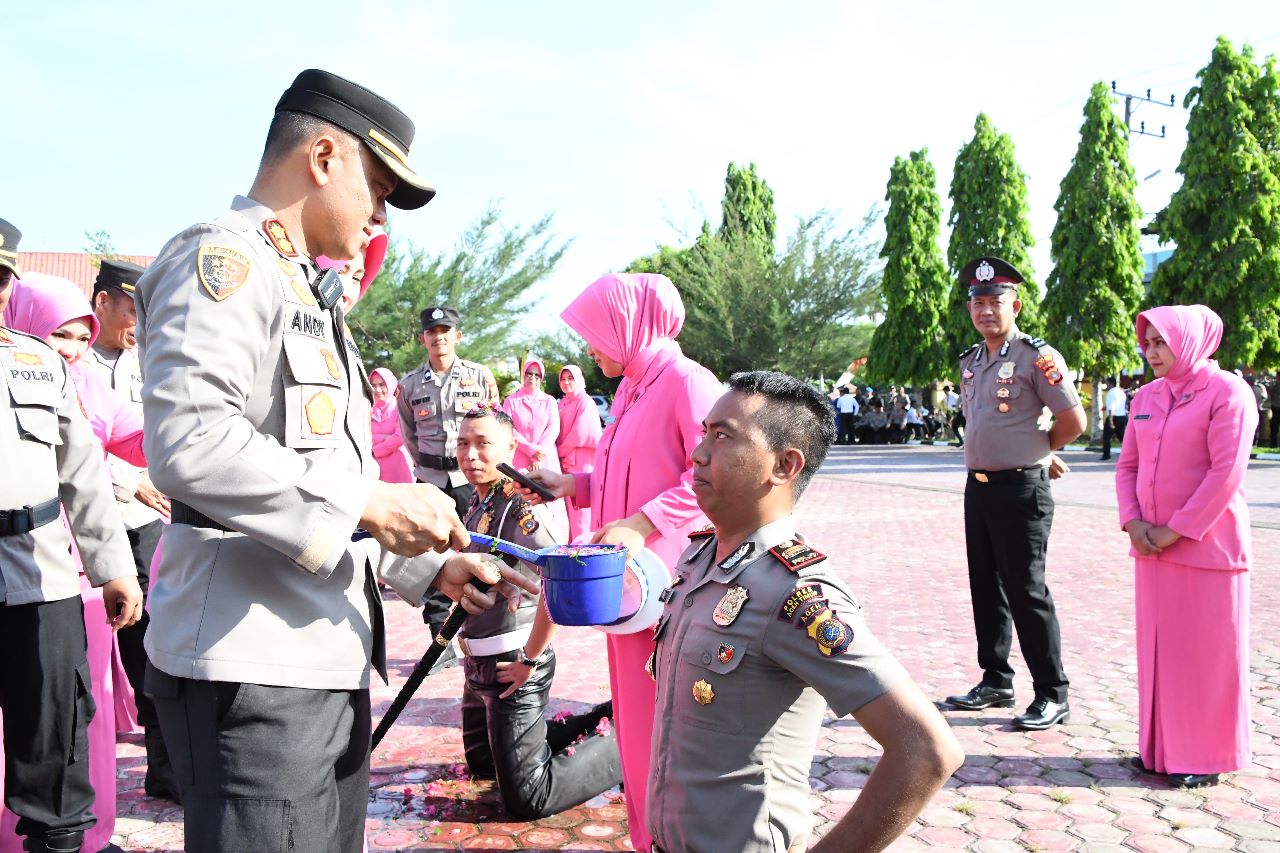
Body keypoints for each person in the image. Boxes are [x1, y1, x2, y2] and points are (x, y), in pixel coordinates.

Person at [133, 69, 538, 853]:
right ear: (323, 157)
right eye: (379, 188)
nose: (381, 214)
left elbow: (316, 476)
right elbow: (191, 443)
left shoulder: (307, 292)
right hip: (250, 665)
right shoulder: (223, 262)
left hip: (319, 658)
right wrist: (379, 503)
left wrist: (426, 570)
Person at [647, 371, 963, 852]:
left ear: (784, 465)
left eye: (724, 436)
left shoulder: (793, 593)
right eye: (705, 432)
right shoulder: (698, 558)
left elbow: (927, 750)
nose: (699, 453)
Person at [520, 272, 722, 852]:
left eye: (596, 334)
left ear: (629, 325)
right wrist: (570, 486)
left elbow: (714, 475)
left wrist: (645, 522)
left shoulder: (687, 382)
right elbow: (623, 475)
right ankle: (648, 834)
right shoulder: (634, 388)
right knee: (636, 723)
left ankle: (672, 836)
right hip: (624, 587)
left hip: (665, 585)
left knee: (664, 724)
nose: (588, 349)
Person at [0, 217, 144, 853]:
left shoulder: (36, 365)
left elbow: (82, 474)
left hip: (39, 577)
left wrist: (115, 567)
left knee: (55, 740)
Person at [454, 407, 621, 817]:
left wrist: (529, 660)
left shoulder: (520, 508)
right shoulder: (475, 503)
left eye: (482, 444)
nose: (470, 455)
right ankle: (592, 721)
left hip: (514, 663)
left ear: (511, 448)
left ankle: (630, 735)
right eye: (463, 443)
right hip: (478, 665)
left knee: (530, 798)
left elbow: (556, 581)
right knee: (483, 766)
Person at [943, 257, 1086, 731]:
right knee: (986, 586)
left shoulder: (1036, 357)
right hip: (979, 488)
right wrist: (1035, 445)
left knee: (1027, 590)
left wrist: (1040, 450)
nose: (985, 310)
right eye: (978, 302)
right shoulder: (972, 361)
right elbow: (991, 421)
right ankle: (996, 679)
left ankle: (1052, 692)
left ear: (1016, 305)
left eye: (995, 302)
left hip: (1021, 490)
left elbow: (1073, 422)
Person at [1116, 305, 1256, 788]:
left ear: (1191, 340)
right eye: (1148, 343)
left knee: (1206, 656)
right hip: (1153, 552)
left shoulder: (1228, 392)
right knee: (1161, 655)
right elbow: (1128, 466)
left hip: (1207, 551)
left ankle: (1206, 755)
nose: (1152, 352)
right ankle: (1162, 751)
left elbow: (1226, 473)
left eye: (1161, 342)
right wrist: (1134, 523)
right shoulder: (1148, 396)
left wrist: (1174, 529)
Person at [82, 258, 179, 802]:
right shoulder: (70, 359)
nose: (138, 322)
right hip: (93, 525)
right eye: (128, 308)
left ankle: (163, 766)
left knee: (153, 641)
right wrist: (129, 481)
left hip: (146, 528)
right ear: (102, 304)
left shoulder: (148, 363)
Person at [397, 304, 502, 657]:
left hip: (470, 479)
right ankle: (439, 637)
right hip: (429, 479)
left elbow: (494, 426)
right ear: (423, 338)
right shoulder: (409, 384)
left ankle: (483, 628)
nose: (438, 337)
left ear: (457, 336)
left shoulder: (480, 377)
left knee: (478, 548)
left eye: (445, 331)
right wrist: (427, 467)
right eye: (432, 332)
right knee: (430, 553)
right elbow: (409, 435)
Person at [501, 355, 568, 540]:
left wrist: (539, 454)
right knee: (521, 501)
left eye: (537, 375)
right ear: (524, 375)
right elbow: (510, 429)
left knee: (550, 497)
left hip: (545, 458)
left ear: (542, 378)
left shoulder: (549, 401)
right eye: (529, 373)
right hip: (520, 457)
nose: (533, 377)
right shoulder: (511, 401)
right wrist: (531, 450)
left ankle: (554, 540)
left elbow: (553, 428)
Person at [555, 364, 601, 541]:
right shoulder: (564, 402)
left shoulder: (585, 401)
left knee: (581, 507)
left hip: (581, 461)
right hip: (566, 459)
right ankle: (574, 545)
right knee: (569, 509)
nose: (566, 382)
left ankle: (584, 546)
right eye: (563, 379)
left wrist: (560, 451)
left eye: (570, 378)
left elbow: (580, 434)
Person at [370, 367, 414, 483]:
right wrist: (385, 437)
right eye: (373, 385)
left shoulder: (400, 407)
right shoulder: (367, 409)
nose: (377, 390)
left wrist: (374, 450)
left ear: (390, 385)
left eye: (382, 385)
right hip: (374, 471)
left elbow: (400, 437)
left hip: (399, 467)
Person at [1101, 376, 1129, 461]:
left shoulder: (1111, 393)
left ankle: (1106, 455)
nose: (1106, 385)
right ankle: (1129, 454)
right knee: (1123, 438)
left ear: (1111, 384)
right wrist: (1105, 407)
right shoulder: (1121, 392)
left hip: (1114, 417)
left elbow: (1112, 408)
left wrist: (1110, 420)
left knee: (1106, 437)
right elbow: (1120, 404)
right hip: (1123, 417)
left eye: (1107, 383)